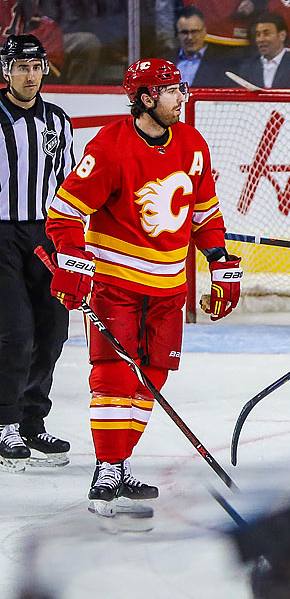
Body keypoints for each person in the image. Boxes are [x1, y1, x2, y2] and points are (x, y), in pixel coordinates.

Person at [44, 59, 242, 516]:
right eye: (171, 90)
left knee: (152, 378)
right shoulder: (110, 148)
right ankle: (108, 469)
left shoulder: (192, 144)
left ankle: (119, 460)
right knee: (114, 375)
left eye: (180, 88)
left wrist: (220, 263)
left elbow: (205, 217)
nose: (181, 97)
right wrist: (73, 264)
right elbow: (64, 213)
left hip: (170, 290)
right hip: (117, 286)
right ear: (146, 98)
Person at [0, 35, 74, 473]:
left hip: (45, 237)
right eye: (20, 67)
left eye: (35, 67)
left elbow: (69, 185)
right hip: (0, 234)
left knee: (52, 329)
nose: (29, 75)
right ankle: (4, 421)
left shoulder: (57, 122)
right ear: (6, 71)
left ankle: (31, 420)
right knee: (15, 332)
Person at [236, 12, 290, 89]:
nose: (260, 39)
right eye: (258, 34)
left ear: (282, 35)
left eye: (266, 34)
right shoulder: (247, 67)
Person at [169, 6, 236, 88]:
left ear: (205, 31)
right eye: (184, 32)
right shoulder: (165, 62)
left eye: (195, 32)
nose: (190, 37)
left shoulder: (222, 64)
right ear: (177, 34)